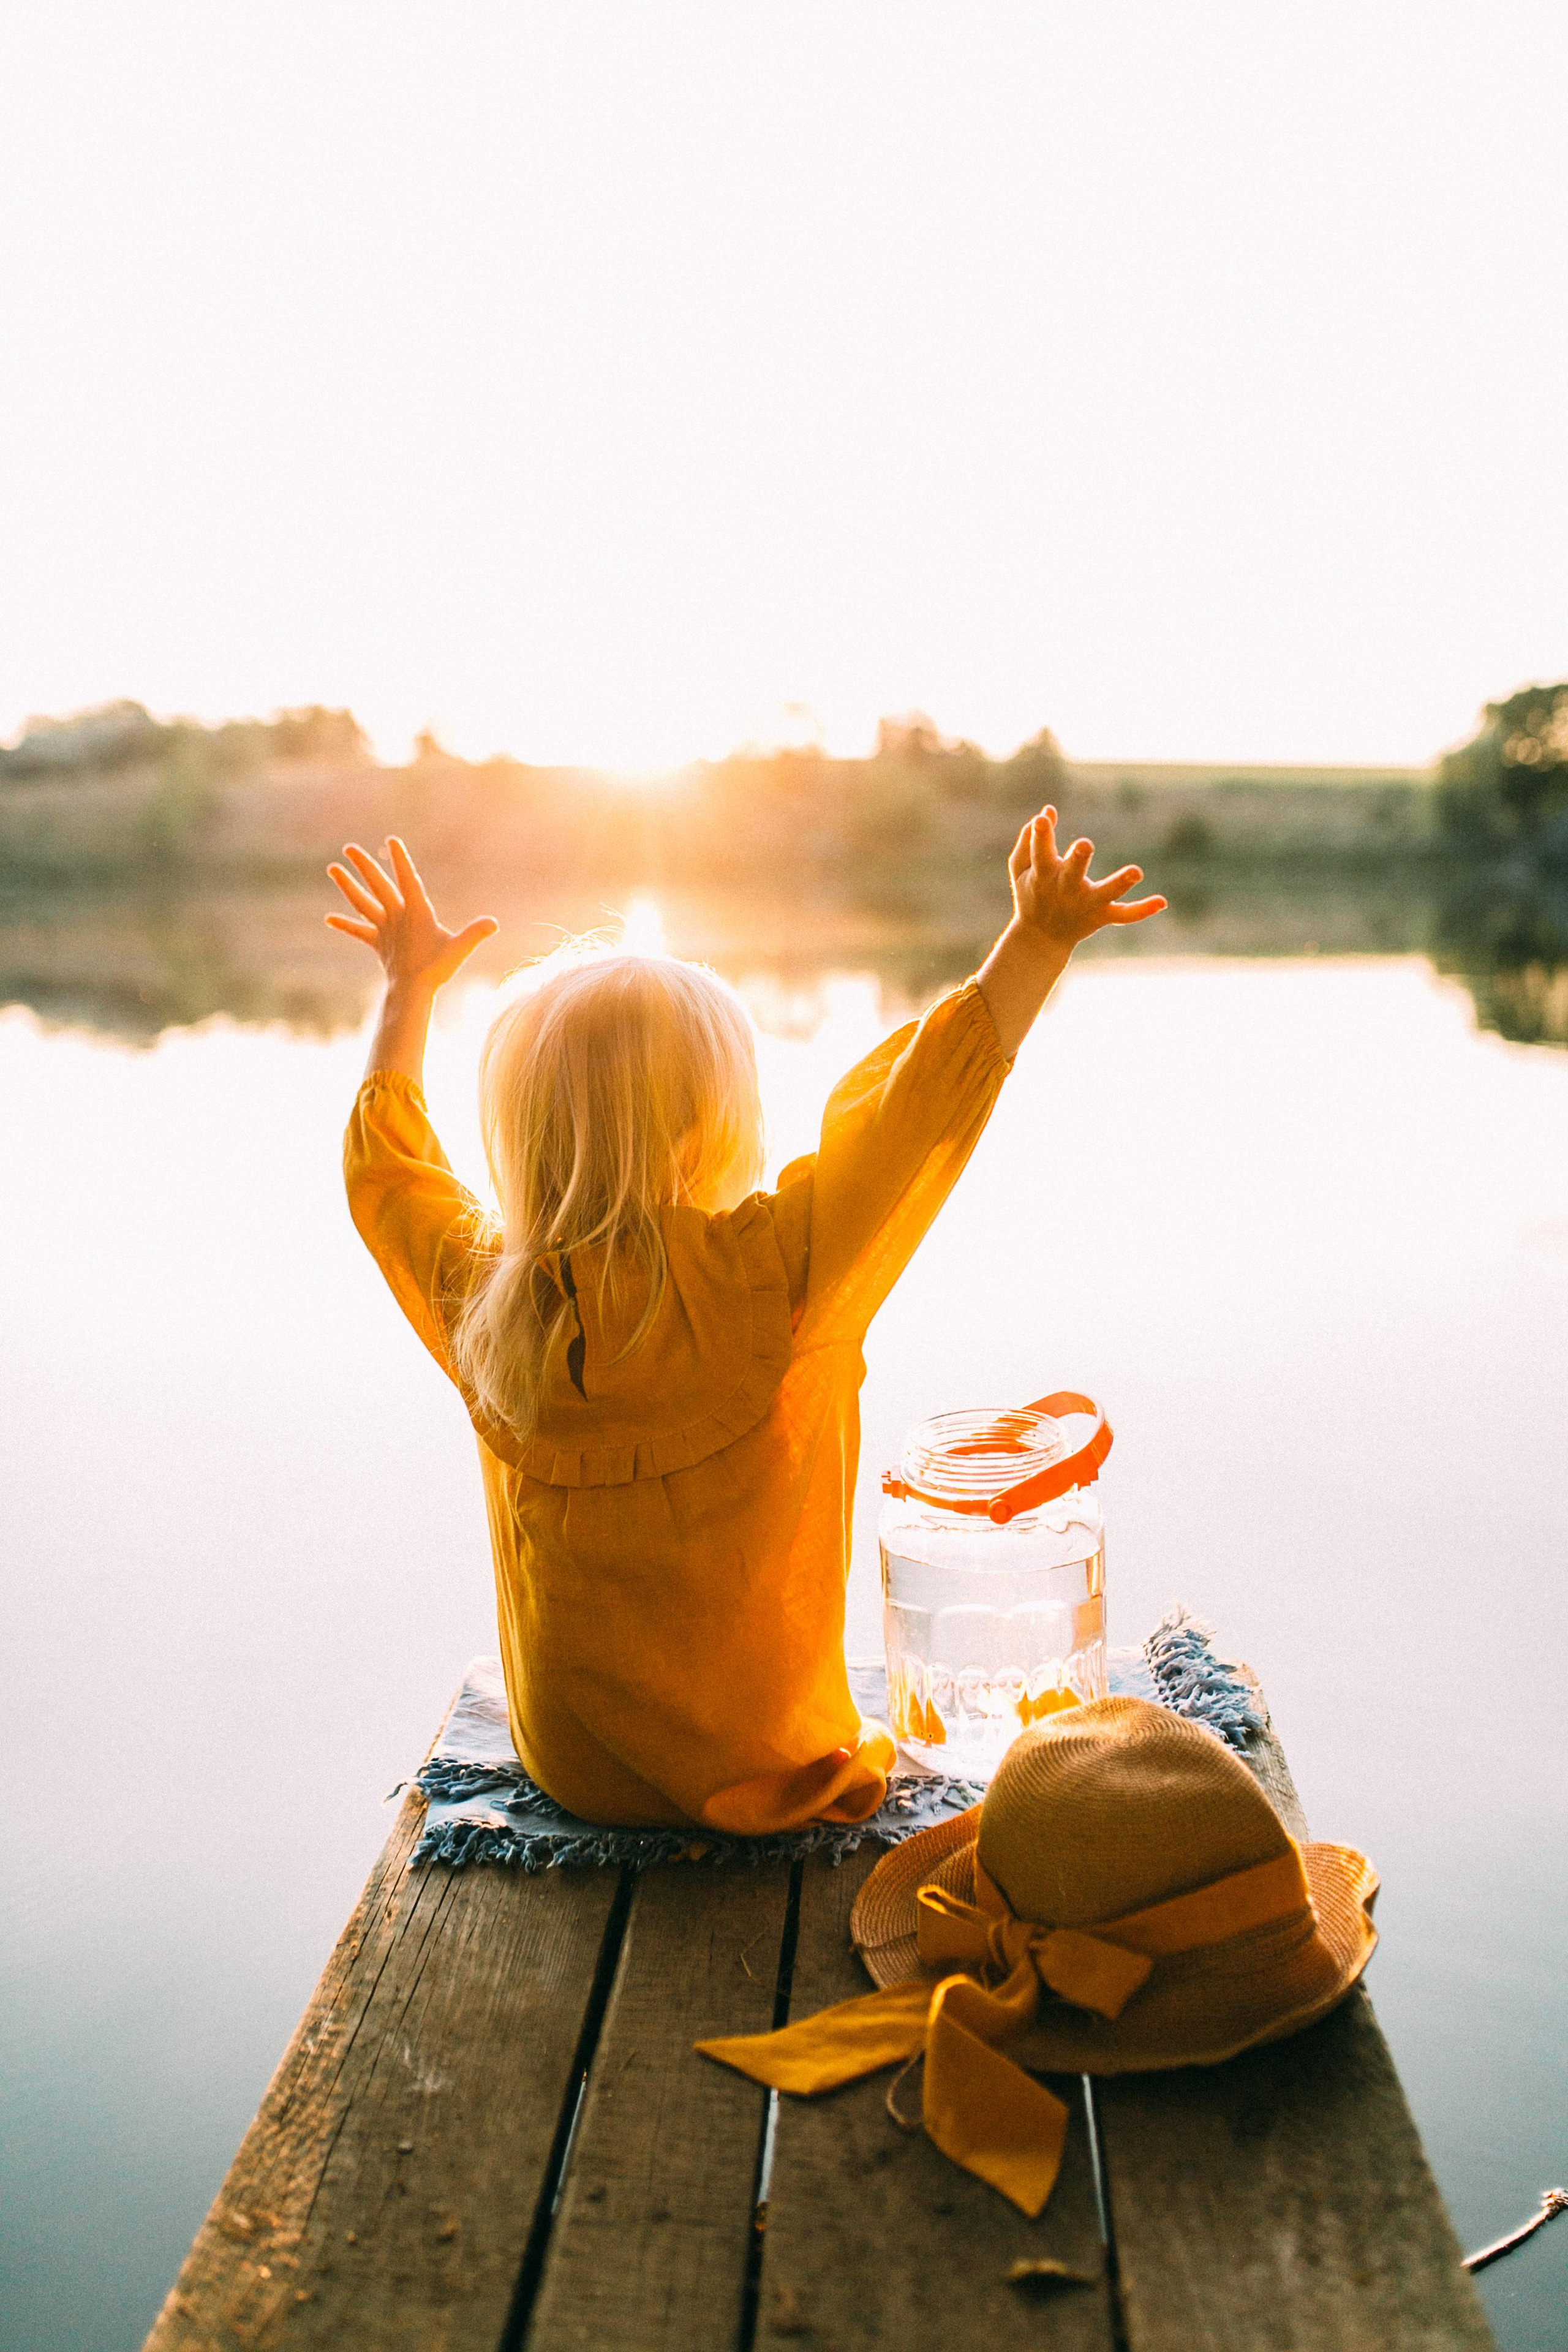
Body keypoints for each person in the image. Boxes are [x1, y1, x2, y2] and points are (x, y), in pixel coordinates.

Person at [327, 813, 1164, 1832]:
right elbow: (913, 1122)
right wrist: (1032, 943)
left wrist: (406, 989)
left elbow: (387, 1175)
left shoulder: (490, 1311)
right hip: (770, 1770)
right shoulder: (786, 1273)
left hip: (572, 1774)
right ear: (707, 1129)